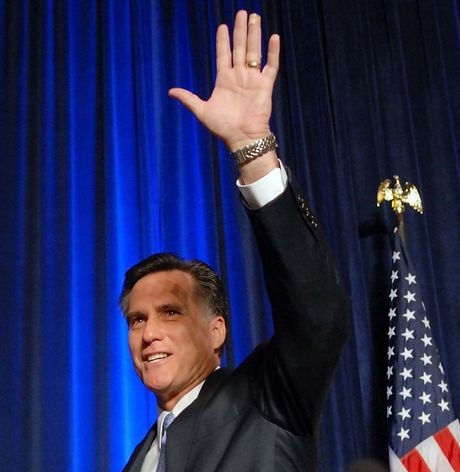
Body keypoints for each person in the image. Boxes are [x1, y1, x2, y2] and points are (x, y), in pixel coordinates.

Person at [119, 10, 349, 471]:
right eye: (137, 320)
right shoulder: (137, 460)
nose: (149, 334)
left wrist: (253, 149)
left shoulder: (266, 397)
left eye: (170, 312)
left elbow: (318, 314)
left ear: (216, 330)